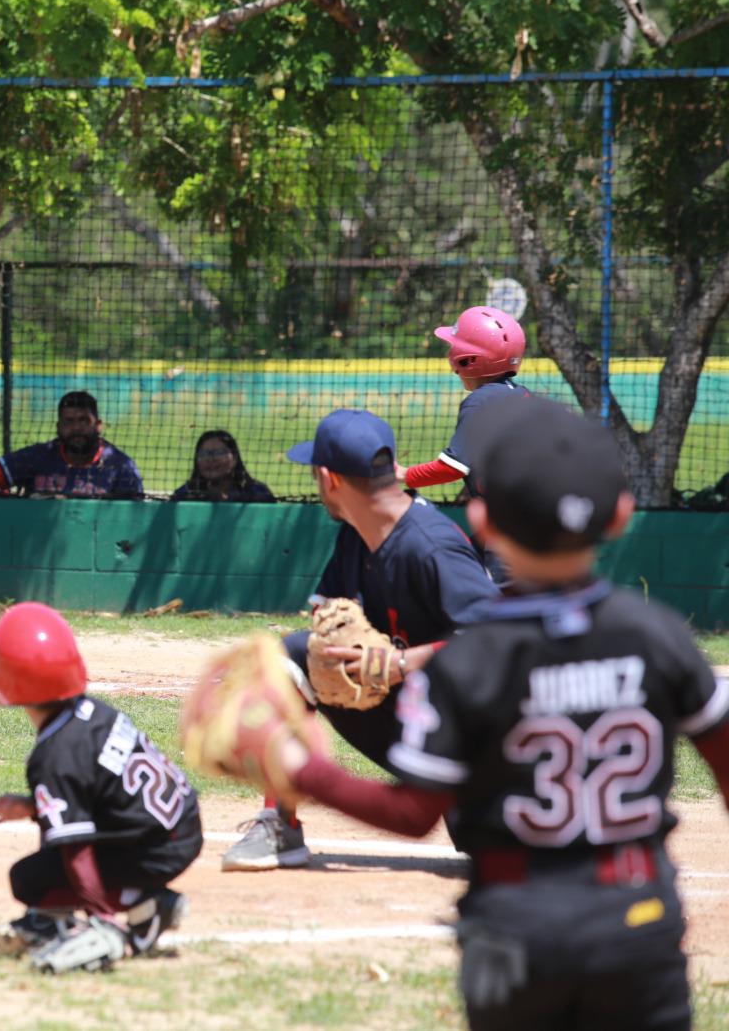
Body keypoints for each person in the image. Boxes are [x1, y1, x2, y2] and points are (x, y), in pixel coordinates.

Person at [265, 396, 729, 1030]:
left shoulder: (483, 661)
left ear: (481, 522)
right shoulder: (659, 636)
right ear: (621, 516)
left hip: (516, 925)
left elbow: (408, 814)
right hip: (639, 922)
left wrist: (295, 764)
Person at [222, 408, 498, 871]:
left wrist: (402, 662)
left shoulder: (429, 545)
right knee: (295, 656)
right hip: (421, 722)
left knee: (498, 850)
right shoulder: (355, 536)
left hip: (482, 748)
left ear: (329, 478)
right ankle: (279, 823)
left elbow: (498, 640)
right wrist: (340, 645)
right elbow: (327, 615)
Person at [0, 602, 200, 971]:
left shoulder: (54, 755)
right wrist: (34, 807)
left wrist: (101, 918)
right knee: (49, 859)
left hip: (153, 849)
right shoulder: (93, 713)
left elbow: (75, 849)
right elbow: (97, 791)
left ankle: (137, 908)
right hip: (180, 825)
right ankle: (133, 904)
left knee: (30, 879)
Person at [397, 306, 532, 581]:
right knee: (460, 572)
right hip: (533, 517)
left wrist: (402, 475)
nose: (450, 355)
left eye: (454, 348)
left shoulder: (480, 401)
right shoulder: (520, 395)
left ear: (469, 360)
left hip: (509, 526)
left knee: (501, 606)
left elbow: (452, 467)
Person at [0, 391, 143, 499]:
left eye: (84, 421)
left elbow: (135, 517)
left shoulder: (121, 467)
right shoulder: (37, 457)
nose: (76, 428)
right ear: (58, 426)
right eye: (69, 422)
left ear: (98, 425)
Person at [171, 429, 274, 503]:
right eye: (204, 454)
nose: (211, 459)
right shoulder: (184, 495)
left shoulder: (258, 493)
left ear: (234, 459)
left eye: (219, 453)